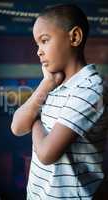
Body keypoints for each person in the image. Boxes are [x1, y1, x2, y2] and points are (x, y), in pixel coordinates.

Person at [11, 4, 107, 200]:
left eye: (44, 41)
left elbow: (46, 154)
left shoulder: (89, 88)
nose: (38, 51)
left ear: (74, 37)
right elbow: (17, 127)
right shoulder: (54, 84)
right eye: (37, 44)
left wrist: (35, 120)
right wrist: (47, 83)